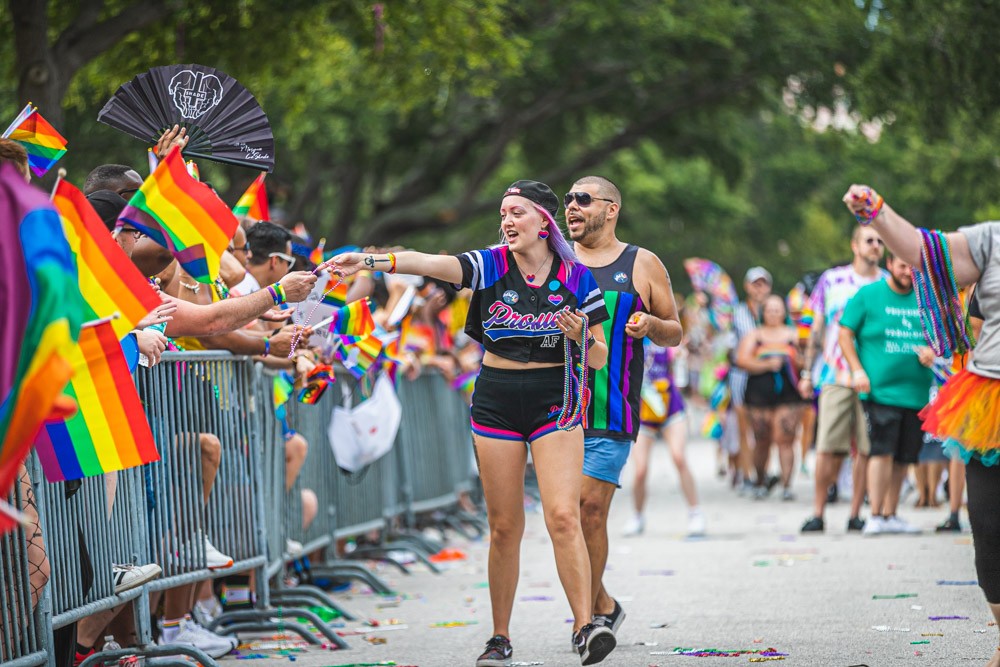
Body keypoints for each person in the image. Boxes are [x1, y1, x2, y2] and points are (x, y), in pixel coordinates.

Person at [323, 180, 617, 666]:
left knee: (562, 516)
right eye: (503, 212)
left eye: (517, 212)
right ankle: (499, 636)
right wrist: (367, 261)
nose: (507, 221)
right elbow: (425, 262)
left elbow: (600, 358)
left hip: (555, 401)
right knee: (505, 526)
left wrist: (583, 334)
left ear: (543, 221)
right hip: (497, 400)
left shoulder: (577, 277)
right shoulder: (490, 264)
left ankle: (586, 627)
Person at [842, 184, 1000, 666]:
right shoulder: (992, 239)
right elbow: (925, 251)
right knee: (990, 527)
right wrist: (878, 213)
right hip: (992, 399)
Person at [562, 175, 683, 644]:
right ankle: (603, 605)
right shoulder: (554, 261)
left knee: (589, 509)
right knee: (566, 515)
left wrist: (652, 322)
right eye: (568, 200)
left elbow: (675, 329)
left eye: (583, 199)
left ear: (610, 209)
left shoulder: (642, 263)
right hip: (555, 410)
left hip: (611, 409)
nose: (571, 206)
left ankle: (586, 624)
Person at [799, 225, 886, 533]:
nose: (875, 246)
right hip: (834, 373)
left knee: (866, 446)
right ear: (854, 245)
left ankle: (855, 513)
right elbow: (816, 328)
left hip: (873, 376)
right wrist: (808, 373)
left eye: (879, 241)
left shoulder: (887, 283)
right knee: (827, 446)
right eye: (869, 240)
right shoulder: (832, 279)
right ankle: (818, 512)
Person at [838, 254, 930, 535]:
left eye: (912, 267)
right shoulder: (869, 294)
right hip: (880, 391)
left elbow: (942, 338)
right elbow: (844, 333)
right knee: (882, 451)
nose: (907, 272)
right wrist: (857, 370)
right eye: (902, 266)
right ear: (889, 265)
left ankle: (891, 515)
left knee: (904, 456)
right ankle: (875, 514)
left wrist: (934, 352)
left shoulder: (927, 299)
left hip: (916, 392)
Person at [623, 340, 703, 537]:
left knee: (679, 457)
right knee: (640, 470)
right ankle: (637, 516)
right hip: (642, 411)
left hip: (670, 407)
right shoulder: (628, 336)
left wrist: (680, 356)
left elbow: (682, 373)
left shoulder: (665, 335)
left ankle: (695, 513)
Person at [735, 294, 803, 500]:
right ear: (763, 312)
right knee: (761, 439)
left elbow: (804, 361)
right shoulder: (754, 335)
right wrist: (766, 364)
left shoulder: (794, 334)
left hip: (788, 393)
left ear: (784, 312)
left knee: (786, 439)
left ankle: (787, 484)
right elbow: (741, 360)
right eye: (769, 309)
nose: (773, 313)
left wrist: (794, 360)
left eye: (777, 309)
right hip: (759, 393)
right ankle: (760, 480)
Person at [937, 289, 983, 532]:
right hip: (961, 379)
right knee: (959, 448)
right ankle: (954, 512)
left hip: (985, 377)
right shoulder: (956, 292)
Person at [731, 267, 773, 491]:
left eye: (763, 283)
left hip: (766, 374)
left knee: (764, 429)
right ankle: (746, 475)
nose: (759, 288)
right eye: (755, 284)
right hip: (742, 374)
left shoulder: (774, 310)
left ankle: (761, 473)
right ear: (747, 287)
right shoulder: (738, 312)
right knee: (745, 427)